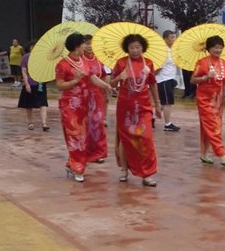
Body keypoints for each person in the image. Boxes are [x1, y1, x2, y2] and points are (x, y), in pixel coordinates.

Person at [55, 33, 112, 183]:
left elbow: (93, 78)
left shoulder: (84, 61)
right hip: (70, 106)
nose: (85, 46)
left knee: (84, 136)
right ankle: (77, 168)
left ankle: (71, 163)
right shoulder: (62, 64)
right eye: (83, 44)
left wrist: (106, 86)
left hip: (85, 104)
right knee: (76, 136)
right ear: (76, 46)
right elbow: (60, 85)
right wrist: (75, 81)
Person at [110, 34, 162, 187]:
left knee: (146, 138)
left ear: (143, 47)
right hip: (125, 107)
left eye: (138, 47)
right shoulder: (121, 63)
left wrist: (157, 104)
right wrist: (120, 77)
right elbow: (111, 83)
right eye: (132, 47)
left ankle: (147, 174)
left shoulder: (149, 63)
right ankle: (124, 170)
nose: (135, 50)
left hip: (144, 107)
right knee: (125, 139)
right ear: (127, 48)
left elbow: (153, 84)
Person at [190, 35, 225, 165]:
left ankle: (204, 154)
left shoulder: (224, 63)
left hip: (218, 101)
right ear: (209, 48)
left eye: (220, 47)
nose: (218, 50)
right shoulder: (202, 62)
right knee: (212, 125)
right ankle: (221, 153)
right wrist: (205, 77)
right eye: (215, 47)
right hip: (204, 99)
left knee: (212, 126)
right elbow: (193, 79)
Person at [83, 34, 108, 163]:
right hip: (83, 96)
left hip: (97, 95)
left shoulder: (99, 60)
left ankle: (98, 152)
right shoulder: (79, 60)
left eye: (91, 43)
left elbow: (103, 75)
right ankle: (84, 151)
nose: (89, 46)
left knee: (97, 124)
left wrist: (106, 89)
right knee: (84, 124)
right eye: (87, 43)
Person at [18, 39, 48, 131]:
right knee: (29, 104)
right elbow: (24, 72)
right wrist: (27, 84)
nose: (34, 48)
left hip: (40, 84)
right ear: (30, 47)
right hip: (30, 83)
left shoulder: (43, 57)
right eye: (33, 46)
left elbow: (45, 70)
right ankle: (30, 122)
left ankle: (44, 123)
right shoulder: (25, 57)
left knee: (43, 103)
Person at [156, 30, 180, 132]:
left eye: (174, 37)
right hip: (163, 80)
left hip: (169, 79)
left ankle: (152, 117)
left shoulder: (172, 51)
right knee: (167, 103)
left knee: (163, 103)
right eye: (171, 38)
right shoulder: (163, 52)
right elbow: (158, 68)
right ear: (165, 39)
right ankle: (167, 124)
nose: (174, 39)